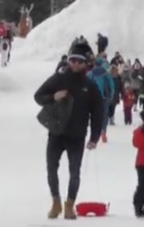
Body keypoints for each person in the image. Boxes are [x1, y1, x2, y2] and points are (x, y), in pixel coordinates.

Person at [33, 44, 104, 220]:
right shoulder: (58, 79)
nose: (75, 64)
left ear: (85, 63)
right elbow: (38, 96)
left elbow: (98, 112)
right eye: (72, 60)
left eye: (79, 61)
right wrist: (53, 97)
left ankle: (69, 205)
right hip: (57, 133)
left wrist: (94, 137)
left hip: (77, 136)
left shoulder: (89, 85)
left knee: (74, 172)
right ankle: (56, 202)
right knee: (51, 169)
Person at [87, 57, 115, 143]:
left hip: (93, 97)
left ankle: (94, 133)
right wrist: (111, 96)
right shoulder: (106, 74)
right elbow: (112, 86)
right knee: (104, 115)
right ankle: (103, 131)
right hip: (105, 97)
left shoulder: (90, 74)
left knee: (94, 115)